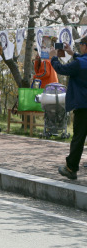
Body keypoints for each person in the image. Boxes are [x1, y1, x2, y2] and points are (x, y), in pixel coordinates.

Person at [52, 37, 87, 180]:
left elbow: (61, 69)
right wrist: (73, 53)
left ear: (85, 46)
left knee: (78, 138)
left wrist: (53, 58)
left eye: (81, 45)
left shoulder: (79, 64)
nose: (80, 47)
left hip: (83, 105)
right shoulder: (80, 61)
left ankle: (71, 168)